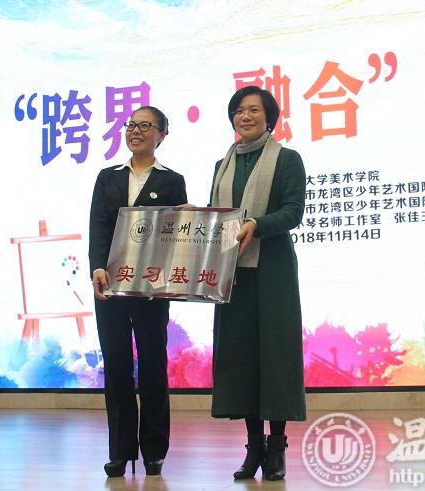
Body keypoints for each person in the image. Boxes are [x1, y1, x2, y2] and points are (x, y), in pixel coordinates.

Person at [210, 86, 307, 481]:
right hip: (232, 272)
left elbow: (293, 212)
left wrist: (257, 224)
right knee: (241, 357)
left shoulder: (287, 159)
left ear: (269, 118)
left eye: (253, 110)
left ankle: (277, 446)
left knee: (275, 356)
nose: (245, 116)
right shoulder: (222, 163)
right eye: (239, 110)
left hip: (272, 270)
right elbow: (217, 216)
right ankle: (254, 447)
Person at [89, 106, 187, 477]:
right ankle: (120, 450)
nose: (136, 131)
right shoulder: (108, 176)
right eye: (131, 124)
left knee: (152, 366)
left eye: (146, 125)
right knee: (116, 366)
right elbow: (98, 225)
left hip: (152, 287)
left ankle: (154, 451)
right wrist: (97, 266)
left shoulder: (172, 180)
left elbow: (179, 233)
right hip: (111, 285)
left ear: (162, 135)